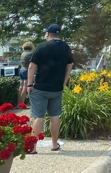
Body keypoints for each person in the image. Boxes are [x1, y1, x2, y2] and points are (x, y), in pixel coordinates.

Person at [27, 24, 74, 153]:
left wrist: (29, 84)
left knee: (38, 116)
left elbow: (31, 66)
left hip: (41, 87)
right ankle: (54, 144)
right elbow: (69, 66)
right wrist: (63, 83)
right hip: (57, 88)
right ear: (58, 34)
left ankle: (32, 147)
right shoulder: (66, 48)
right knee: (54, 116)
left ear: (47, 34)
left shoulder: (42, 47)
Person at [17, 41, 34, 108]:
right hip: (27, 71)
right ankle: (22, 104)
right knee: (25, 86)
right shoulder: (31, 54)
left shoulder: (23, 53)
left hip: (21, 70)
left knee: (21, 87)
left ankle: (18, 103)